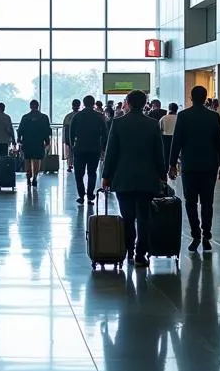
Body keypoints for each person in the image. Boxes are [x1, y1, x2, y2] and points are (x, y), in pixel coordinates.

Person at [101, 89, 167, 268]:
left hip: (123, 178)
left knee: (127, 216)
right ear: (145, 103)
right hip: (147, 178)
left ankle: (129, 250)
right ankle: (140, 254)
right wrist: (163, 175)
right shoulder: (152, 124)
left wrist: (106, 176)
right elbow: (158, 153)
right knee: (144, 217)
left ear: (127, 103)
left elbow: (111, 153)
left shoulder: (118, 123)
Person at [168, 84, 220, 254]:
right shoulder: (214, 116)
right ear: (206, 97)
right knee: (208, 202)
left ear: (191, 98)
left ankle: (195, 235)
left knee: (191, 202)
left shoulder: (184, 116)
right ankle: (207, 235)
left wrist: (172, 164)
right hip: (209, 165)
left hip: (190, 166)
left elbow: (176, 141)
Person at [69, 93, 108, 205]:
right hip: (94, 148)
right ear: (94, 103)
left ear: (84, 103)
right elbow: (105, 133)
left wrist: (72, 146)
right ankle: (90, 194)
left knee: (79, 173)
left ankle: (81, 195)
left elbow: (71, 132)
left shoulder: (77, 116)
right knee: (92, 172)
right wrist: (103, 147)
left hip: (80, 148)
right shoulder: (99, 116)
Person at [17, 99, 51, 188]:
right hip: (39, 142)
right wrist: (47, 141)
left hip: (27, 142)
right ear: (38, 106)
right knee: (37, 160)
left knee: (27, 159)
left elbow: (20, 130)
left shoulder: (25, 117)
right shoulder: (44, 117)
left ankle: (28, 178)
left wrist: (19, 139)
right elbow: (47, 131)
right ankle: (35, 177)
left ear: (30, 106)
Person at [62, 99, 82, 172]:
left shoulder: (68, 116)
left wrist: (66, 139)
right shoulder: (81, 116)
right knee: (78, 152)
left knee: (70, 151)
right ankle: (77, 164)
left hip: (70, 138)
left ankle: (70, 164)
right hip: (80, 137)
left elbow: (66, 129)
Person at [159, 102, 178, 170]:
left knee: (166, 155)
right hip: (176, 138)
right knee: (176, 153)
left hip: (165, 138)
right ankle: (174, 167)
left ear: (169, 109)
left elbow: (159, 129)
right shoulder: (179, 118)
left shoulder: (164, 118)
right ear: (176, 109)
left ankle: (166, 169)